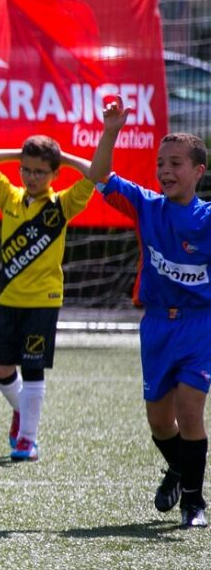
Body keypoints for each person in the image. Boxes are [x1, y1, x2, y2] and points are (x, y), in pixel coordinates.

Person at [88, 101, 211, 529]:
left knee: (191, 410)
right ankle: (179, 469)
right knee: (160, 422)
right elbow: (99, 176)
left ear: (199, 171)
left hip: (200, 324)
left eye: (176, 163)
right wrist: (111, 130)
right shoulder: (146, 206)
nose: (165, 170)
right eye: (161, 163)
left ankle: (193, 503)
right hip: (157, 323)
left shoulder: (208, 218)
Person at [0, 136, 94, 462]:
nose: (31, 177)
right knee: (2, 370)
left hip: (44, 300)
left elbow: (96, 173)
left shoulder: (62, 205)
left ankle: (28, 439)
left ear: (54, 174)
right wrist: (18, 154)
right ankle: (23, 412)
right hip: (9, 298)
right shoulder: (10, 198)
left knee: (34, 367)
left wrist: (62, 158)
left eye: (40, 172)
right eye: (26, 170)